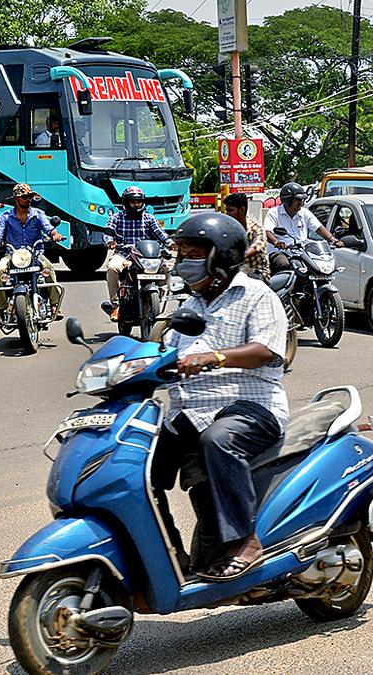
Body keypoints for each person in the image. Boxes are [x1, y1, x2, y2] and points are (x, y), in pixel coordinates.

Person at [153, 211, 288, 580]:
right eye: (181, 254)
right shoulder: (190, 306)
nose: (184, 262)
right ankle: (169, 553)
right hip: (189, 411)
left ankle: (246, 542)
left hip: (250, 407)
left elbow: (264, 350)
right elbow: (164, 354)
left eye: (194, 254)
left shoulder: (257, 295)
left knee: (218, 440)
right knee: (138, 462)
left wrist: (214, 357)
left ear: (222, 257)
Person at [0, 183, 63, 321]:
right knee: (0, 271)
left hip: (35, 254)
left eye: (30, 196)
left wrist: (55, 234)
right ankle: (0, 310)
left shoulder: (38, 214)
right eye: (25, 197)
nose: (28, 199)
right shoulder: (6, 216)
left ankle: (54, 305)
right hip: (13, 254)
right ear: (16, 198)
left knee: (48, 268)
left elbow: (48, 228)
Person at [103, 186, 174, 321]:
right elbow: (108, 233)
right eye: (133, 202)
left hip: (147, 256)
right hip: (124, 255)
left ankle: (157, 296)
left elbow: (161, 234)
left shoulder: (149, 218)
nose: (136, 204)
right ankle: (116, 305)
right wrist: (110, 241)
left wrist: (171, 243)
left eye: (139, 202)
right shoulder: (116, 218)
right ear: (126, 203)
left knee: (167, 269)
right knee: (112, 268)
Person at [264, 182, 342, 273]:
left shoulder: (304, 213)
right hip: (280, 252)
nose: (301, 203)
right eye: (298, 200)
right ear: (288, 200)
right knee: (283, 264)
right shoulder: (274, 213)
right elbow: (267, 231)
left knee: (315, 267)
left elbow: (319, 228)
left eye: (302, 200)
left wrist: (333, 239)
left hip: (301, 252)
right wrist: (276, 242)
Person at [223, 192, 270, 283]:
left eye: (230, 210)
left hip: (257, 272)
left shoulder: (257, 229)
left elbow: (258, 245)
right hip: (234, 271)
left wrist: (240, 256)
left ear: (242, 210)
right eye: (226, 210)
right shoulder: (226, 230)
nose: (227, 214)